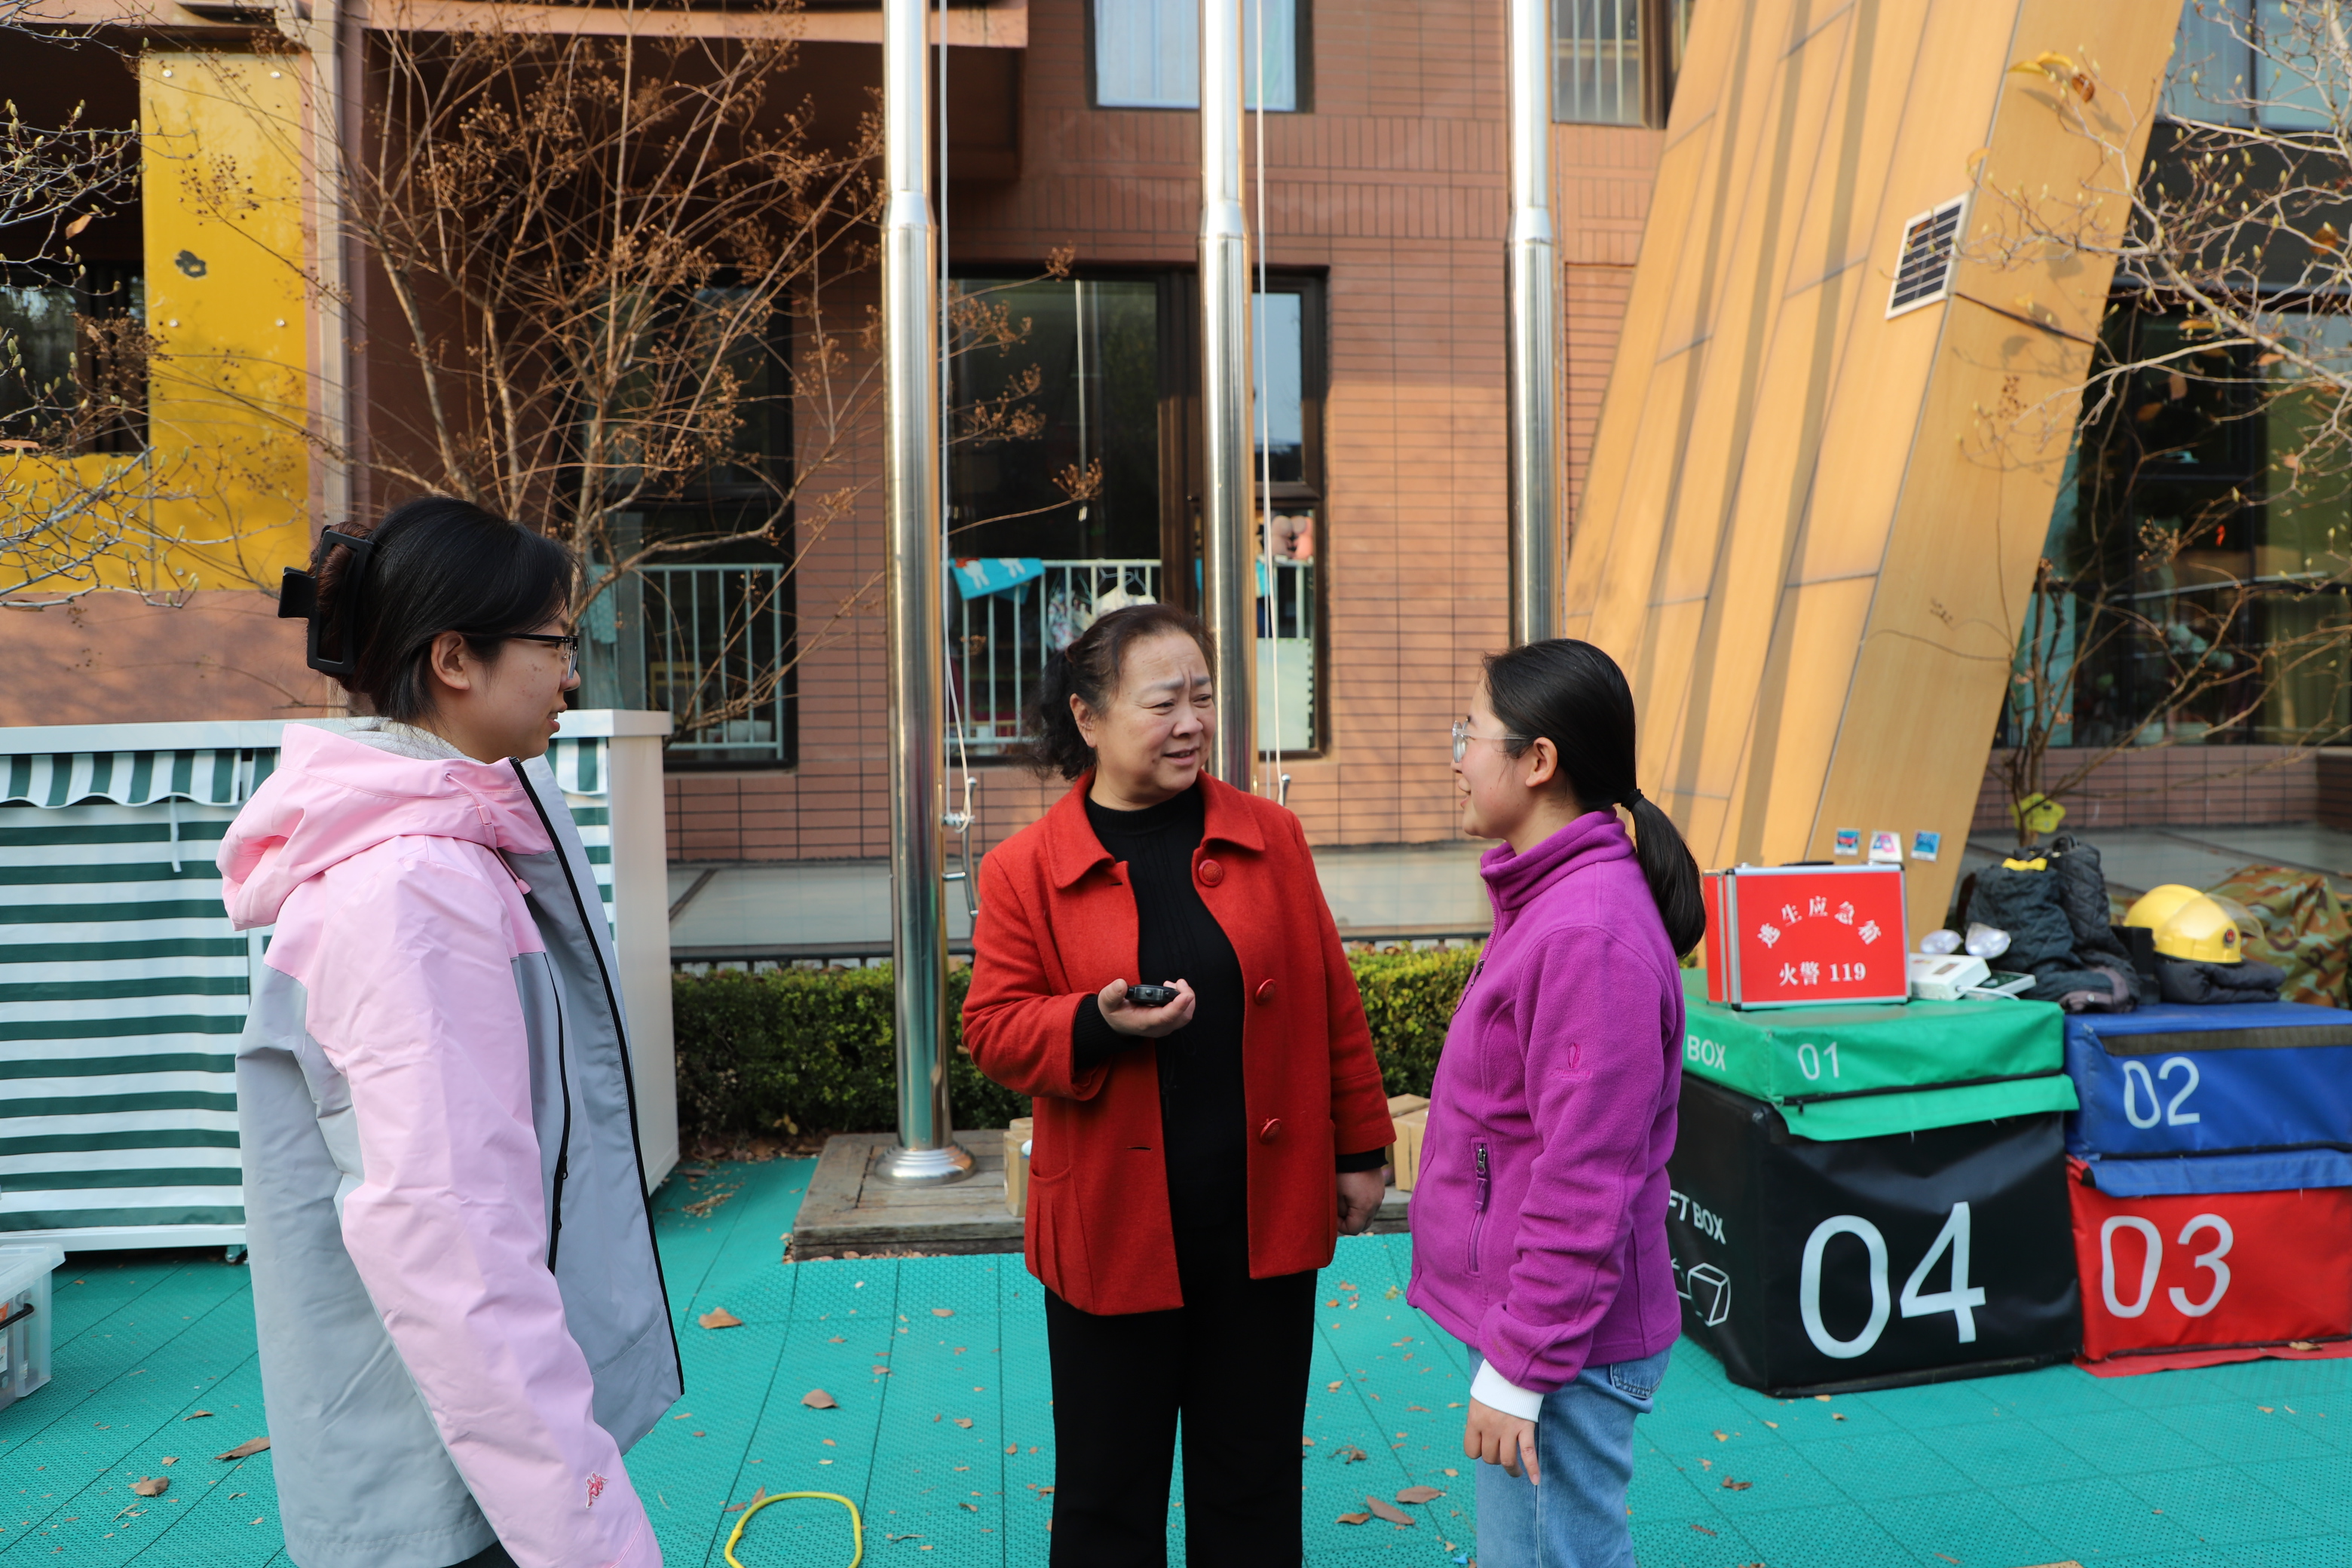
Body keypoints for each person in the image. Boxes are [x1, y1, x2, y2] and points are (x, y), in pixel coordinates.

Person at [219, 497, 678, 1568]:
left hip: (463, 1455)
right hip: (449, 1476)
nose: (572, 673)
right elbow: (452, 1244)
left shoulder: (446, 852)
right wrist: (592, 1536)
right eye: (556, 642)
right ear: (457, 658)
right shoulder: (413, 887)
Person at [962, 603, 1395, 1568]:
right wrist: (1094, 1021)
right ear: (1088, 717)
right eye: (1163, 703)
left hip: (1257, 1224)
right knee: (1107, 1495)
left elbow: (1330, 997)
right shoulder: (1024, 870)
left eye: (1202, 697)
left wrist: (1361, 1145)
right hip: (1111, 1228)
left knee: (1252, 1483)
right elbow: (992, 1028)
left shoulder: (1271, 836)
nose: (1191, 722)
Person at [1407, 638, 1704, 1568]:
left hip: (1565, 1338)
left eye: (1471, 733)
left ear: (1538, 760)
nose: (1457, 758)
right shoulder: (1554, 900)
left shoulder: (1588, 930)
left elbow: (1586, 1176)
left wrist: (1522, 1364)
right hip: (1549, 1324)